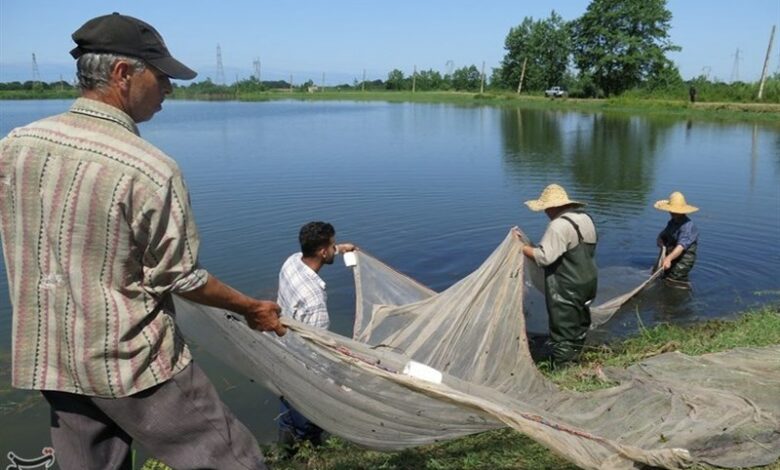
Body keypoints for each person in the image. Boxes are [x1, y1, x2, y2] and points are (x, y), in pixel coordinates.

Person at [0, 13, 285, 470]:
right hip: (129, 361)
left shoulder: (15, 146)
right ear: (122, 74)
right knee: (235, 462)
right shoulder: (148, 168)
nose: (169, 89)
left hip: (52, 356)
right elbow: (182, 278)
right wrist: (251, 307)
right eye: (162, 76)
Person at [275, 221, 356, 450]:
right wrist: (336, 378)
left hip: (280, 353)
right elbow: (313, 352)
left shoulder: (291, 261)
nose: (333, 248)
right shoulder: (314, 301)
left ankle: (284, 456)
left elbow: (321, 251)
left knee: (287, 413)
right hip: (303, 370)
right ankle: (313, 456)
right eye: (332, 245)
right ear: (322, 251)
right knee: (308, 424)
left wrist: (341, 249)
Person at [516, 184, 598, 366]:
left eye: (546, 209)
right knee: (580, 323)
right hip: (588, 281)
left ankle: (563, 369)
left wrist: (521, 247)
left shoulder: (558, 226)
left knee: (563, 330)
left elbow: (544, 258)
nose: (546, 213)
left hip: (566, 287)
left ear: (552, 207)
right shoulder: (585, 218)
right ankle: (577, 357)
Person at [654, 191, 699, 287]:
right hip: (672, 254)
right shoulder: (672, 222)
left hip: (684, 259)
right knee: (663, 277)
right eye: (672, 211)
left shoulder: (688, 227)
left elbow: (681, 246)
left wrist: (668, 258)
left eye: (675, 211)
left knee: (675, 279)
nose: (672, 213)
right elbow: (664, 233)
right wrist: (660, 239)